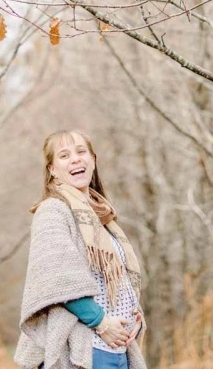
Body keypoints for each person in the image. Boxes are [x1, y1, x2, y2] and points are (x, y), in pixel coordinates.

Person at [15, 130, 147, 369]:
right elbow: (59, 280)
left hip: (119, 349)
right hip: (85, 349)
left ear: (93, 161)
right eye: (64, 155)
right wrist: (102, 323)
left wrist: (135, 317)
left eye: (81, 151)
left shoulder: (103, 218)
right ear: (52, 169)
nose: (75, 159)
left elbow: (118, 280)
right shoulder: (53, 211)